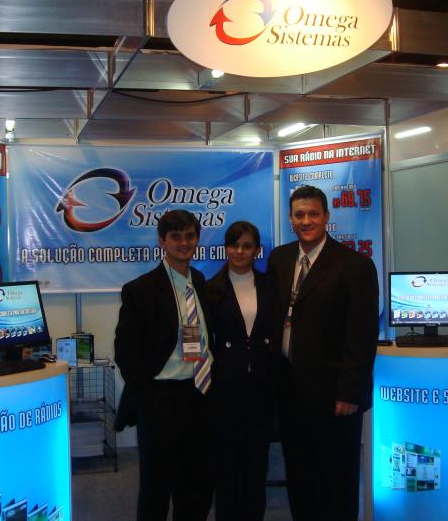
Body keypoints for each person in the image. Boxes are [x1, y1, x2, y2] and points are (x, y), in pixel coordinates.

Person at [267, 185, 379, 521]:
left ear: (326, 216)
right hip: (290, 391)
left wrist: (350, 393)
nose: (306, 221)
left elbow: (362, 335)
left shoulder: (355, 266)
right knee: (299, 475)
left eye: (313, 214)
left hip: (335, 396)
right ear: (290, 219)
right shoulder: (280, 259)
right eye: (299, 215)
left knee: (337, 480)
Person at [114, 209, 214, 521]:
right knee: (156, 489)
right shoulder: (140, 290)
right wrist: (149, 400)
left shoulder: (201, 282)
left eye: (190, 236)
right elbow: (126, 354)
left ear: (197, 239)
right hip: (161, 400)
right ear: (162, 241)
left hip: (200, 395)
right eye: (176, 237)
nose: (184, 243)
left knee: (197, 486)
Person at [206, 221, 276, 521]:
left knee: (256, 467)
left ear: (257, 250)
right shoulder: (211, 289)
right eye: (234, 245)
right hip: (225, 390)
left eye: (247, 246)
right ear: (226, 248)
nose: (240, 251)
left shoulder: (271, 286)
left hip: (261, 388)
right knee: (226, 468)